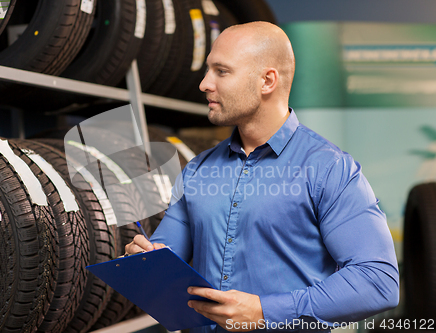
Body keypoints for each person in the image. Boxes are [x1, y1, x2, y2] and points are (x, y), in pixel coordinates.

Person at [125, 21, 399, 332]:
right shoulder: (198, 170)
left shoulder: (329, 168)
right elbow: (167, 252)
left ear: (267, 80)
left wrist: (267, 311)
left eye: (221, 71)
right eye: (207, 70)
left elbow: (378, 281)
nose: (204, 84)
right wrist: (147, 259)